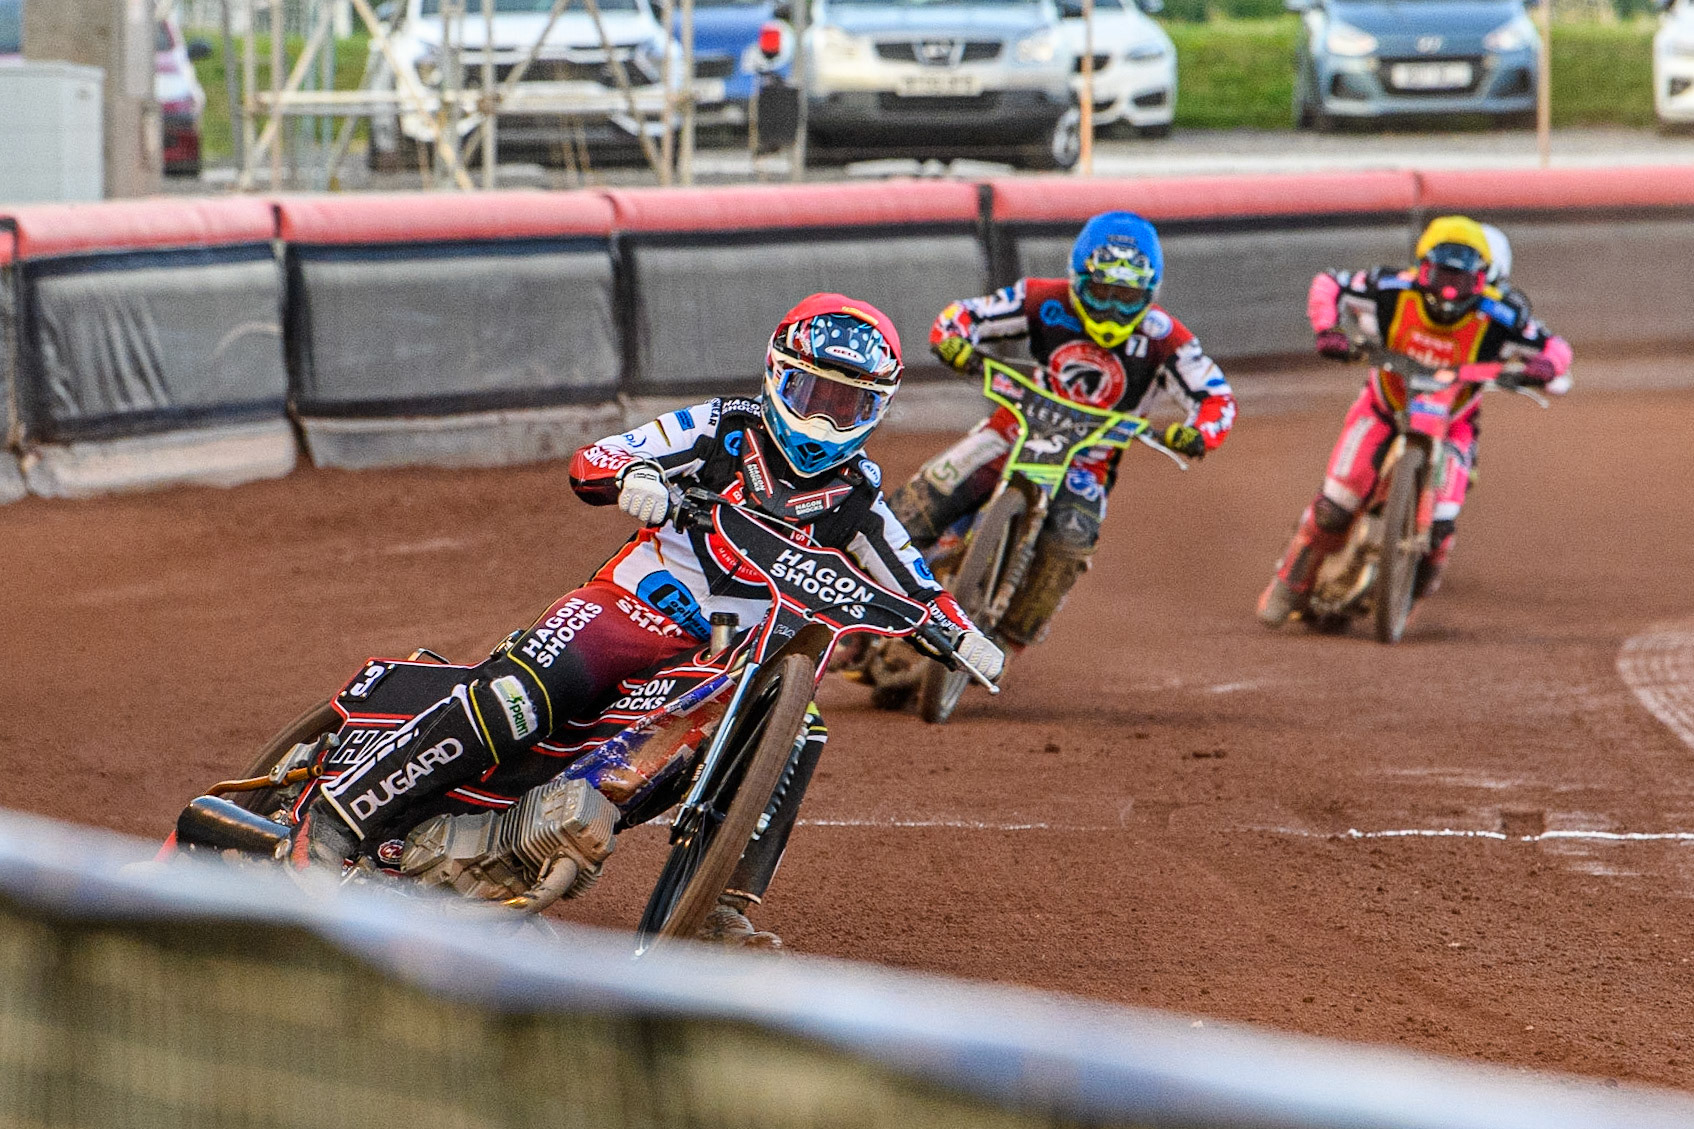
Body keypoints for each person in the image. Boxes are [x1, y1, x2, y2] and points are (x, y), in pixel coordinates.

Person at [300, 293, 1005, 947]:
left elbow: (915, 582)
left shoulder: (859, 497)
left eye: (846, 405)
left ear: (875, 412)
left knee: (796, 730)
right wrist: (633, 481)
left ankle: (711, 911)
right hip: (631, 605)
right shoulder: (724, 427)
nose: (821, 418)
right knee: (525, 691)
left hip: (724, 656)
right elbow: (598, 458)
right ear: (776, 376)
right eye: (810, 392)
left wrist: (962, 634)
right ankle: (338, 816)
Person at [873, 211, 1236, 657]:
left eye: (1127, 297)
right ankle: (865, 599)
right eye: (1102, 292)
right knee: (917, 503)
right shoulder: (1042, 299)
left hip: (1087, 460)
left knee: (1070, 540)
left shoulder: (1167, 338)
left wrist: (1198, 433)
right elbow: (963, 315)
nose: (1112, 309)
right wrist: (953, 340)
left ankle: (1007, 643)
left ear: (1149, 294)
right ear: (1078, 278)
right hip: (1013, 430)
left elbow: (1216, 397)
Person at [1256, 216, 1573, 626]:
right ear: (1422, 267)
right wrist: (1327, 329)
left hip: (1453, 423)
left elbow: (1555, 346)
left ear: (1482, 281)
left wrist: (1545, 367)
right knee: (1335, 507)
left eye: (1460, 279)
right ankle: (1289, 584)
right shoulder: (1392, 288)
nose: (1448, 290)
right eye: (1441, 274)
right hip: (1382, 407)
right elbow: (1328, 283)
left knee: (1440, 533)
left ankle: (1405, 599)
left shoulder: (1501, 316)